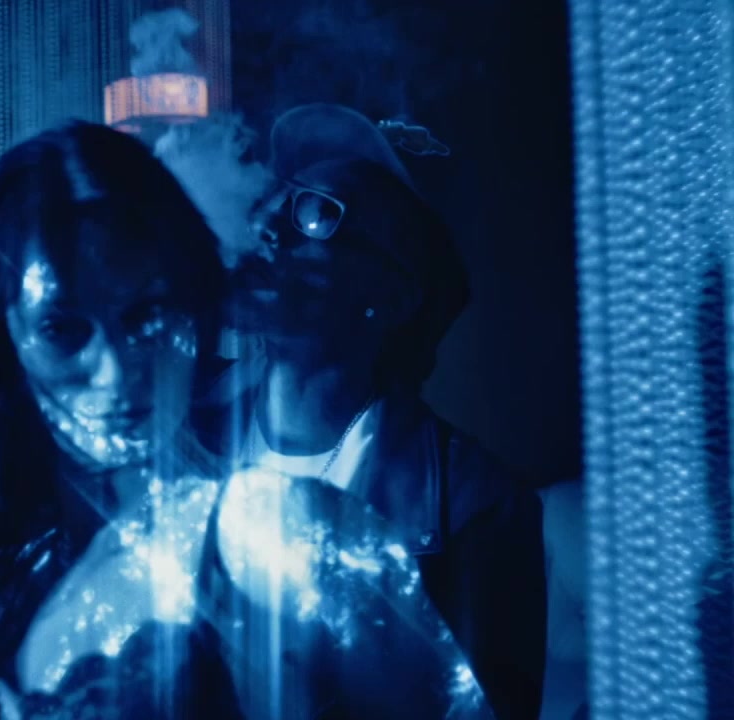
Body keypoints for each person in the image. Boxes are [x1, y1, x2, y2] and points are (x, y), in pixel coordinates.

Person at [0, 120, 491, 720]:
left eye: (147, 315)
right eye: (62, 328)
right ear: (3, 336)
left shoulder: (270, 528)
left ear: (192, 303)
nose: (116, 371)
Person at [199, 103, 548, 719]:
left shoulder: (480, 508)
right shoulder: (173, 420)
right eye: (280, 198)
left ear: (391, 299)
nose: (271, 223)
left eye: (316, 212)